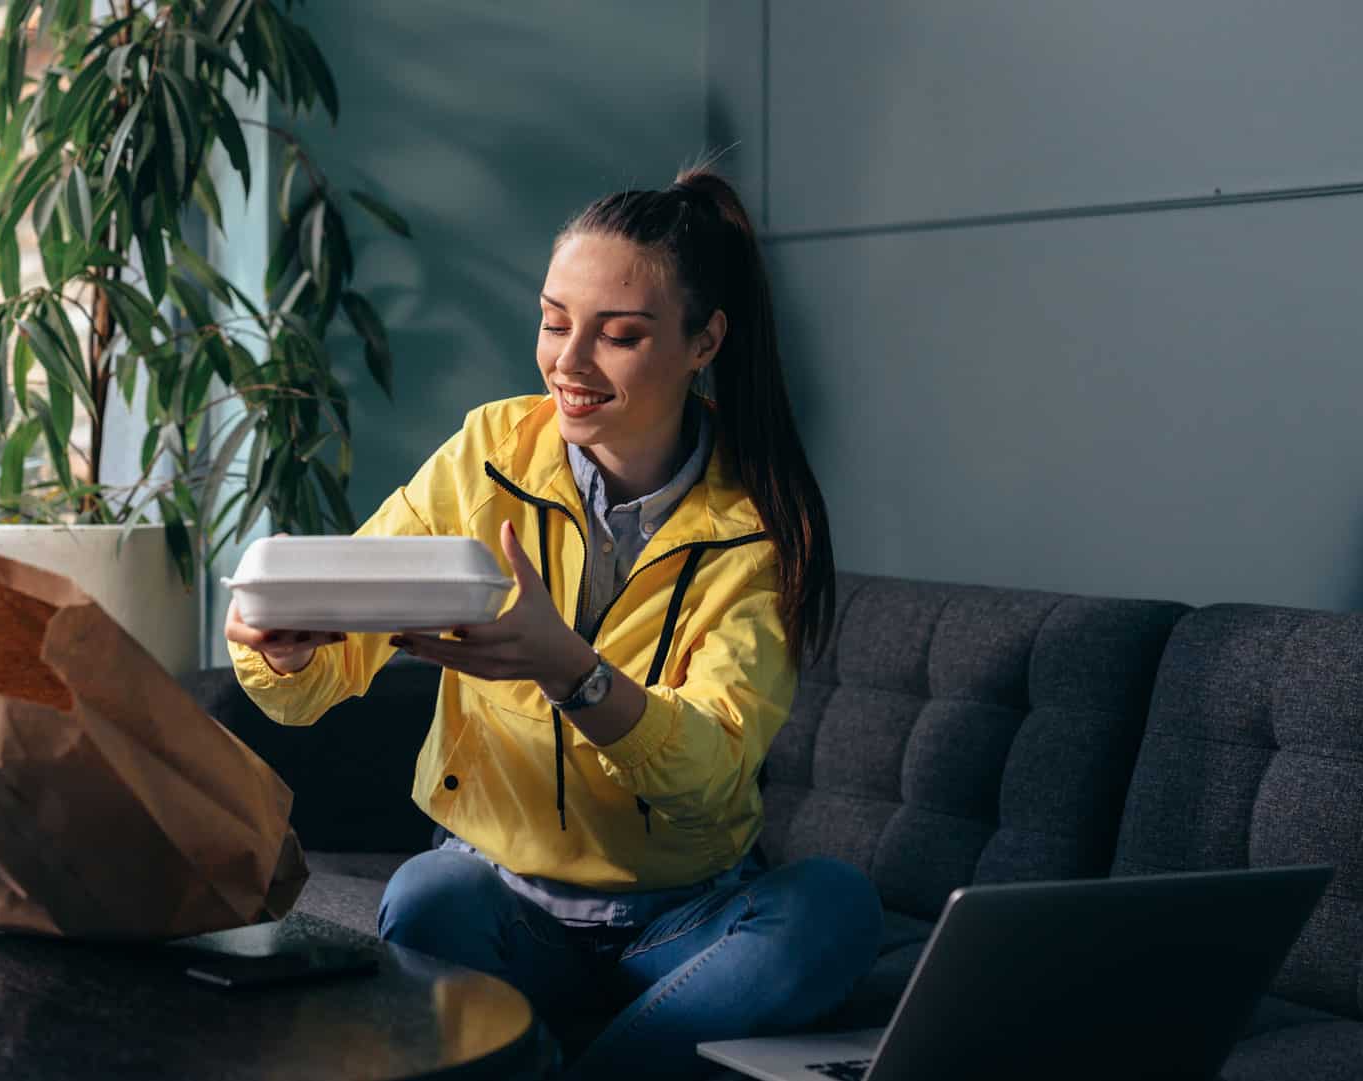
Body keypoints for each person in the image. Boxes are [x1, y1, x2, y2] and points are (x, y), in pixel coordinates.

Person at [226, 167, 881, 1079]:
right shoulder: (487, 454)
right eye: (553, 321)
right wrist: (284, 647)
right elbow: (324, 669)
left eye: (618, 335)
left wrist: (571, 670)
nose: (568, 363)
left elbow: (713, 768)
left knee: (835, 909)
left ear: (704, 342)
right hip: (499, 903)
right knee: (425, 894)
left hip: (684, 919)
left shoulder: (760, 523)